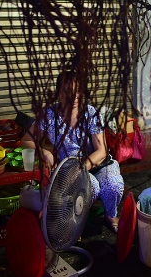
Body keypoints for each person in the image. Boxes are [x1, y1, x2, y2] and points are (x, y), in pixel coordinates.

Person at [20, 70, 125, 232]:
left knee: (113, 185)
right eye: (68, 91)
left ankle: (110, 215)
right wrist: (44, 152)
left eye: (78, 90)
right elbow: (26, 141)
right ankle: (76, 222)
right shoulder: (49, 115)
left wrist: (80, 168)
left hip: (98, 164)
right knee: (92, 188)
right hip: (69, 167)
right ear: (58, 93)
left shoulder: (91, 114)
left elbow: (101, 151)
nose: (74, 96)